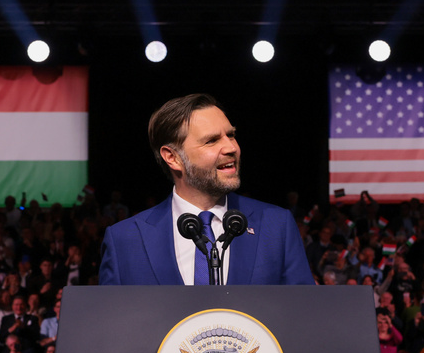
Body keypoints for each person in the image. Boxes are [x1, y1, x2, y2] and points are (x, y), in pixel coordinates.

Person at [99, 93, 314, 286]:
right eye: (211, 141)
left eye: (230, 135)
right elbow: (112, 326)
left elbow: (302, 318)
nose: (231, 148)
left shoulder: (276, 226)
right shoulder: (124, 240)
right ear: (173, 157)